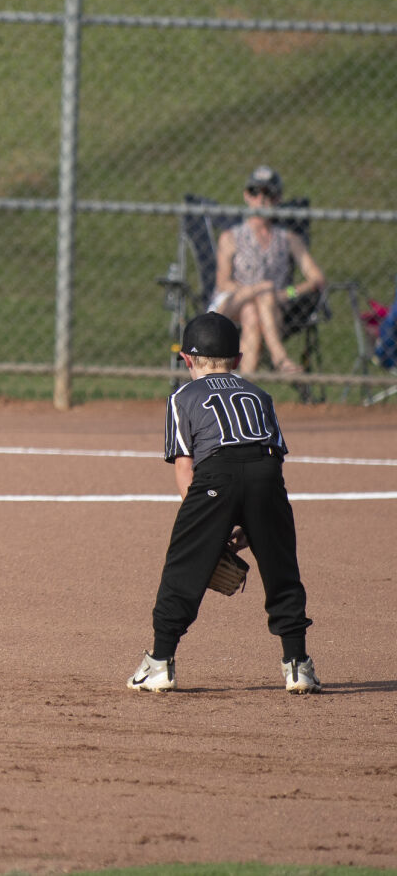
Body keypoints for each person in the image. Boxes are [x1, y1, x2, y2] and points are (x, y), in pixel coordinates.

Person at [127, 311, 317, 694]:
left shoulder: (183, 397)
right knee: (281, 568)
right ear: (239, 359)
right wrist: (251, 522)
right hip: (266, 476)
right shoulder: (260, 395)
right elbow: (273, 459)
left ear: (186, 360)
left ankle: (160, 663)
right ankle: (298, 665)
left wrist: (205, 530)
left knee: (183, 567)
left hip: (215, 476)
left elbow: (185, 471)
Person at [211, 166, 325, 377]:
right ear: (247, 196)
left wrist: (286, 293)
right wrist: (259, 289)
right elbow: (223, 283)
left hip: (272, 309)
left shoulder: (288, 238)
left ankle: (242, 388)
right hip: (231, 304)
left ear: (278, 198)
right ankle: (280, 358)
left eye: (269, 193)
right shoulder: (231, 237)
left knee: (253, 313)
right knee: (259, 296)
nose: (262, 199)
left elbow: (316, 278)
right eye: (255, 192)